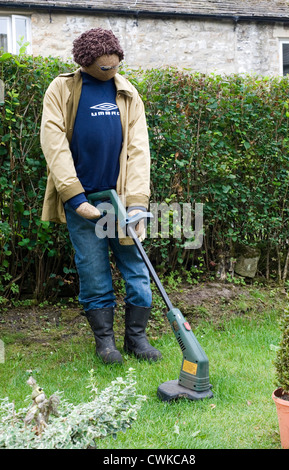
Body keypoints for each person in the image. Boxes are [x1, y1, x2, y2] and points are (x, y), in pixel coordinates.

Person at [40, 27, 162, 364]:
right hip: (84, 201)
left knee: (136, 269)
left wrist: (137, 205)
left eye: (116, 65)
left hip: (120, 200)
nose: (111, 72)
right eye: (104, 68)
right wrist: (75, 198)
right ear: (85, 62)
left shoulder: (127, 92)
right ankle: (105, 343)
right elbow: (54, 144)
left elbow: (139, 151)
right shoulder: (62, 89)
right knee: (93, 272)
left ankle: (137, 339)